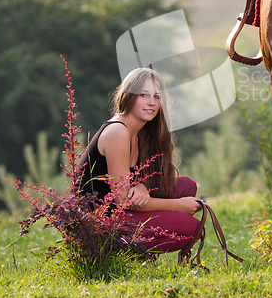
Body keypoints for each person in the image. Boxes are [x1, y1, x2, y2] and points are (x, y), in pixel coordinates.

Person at [78, 67, 201, 254]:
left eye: (157, 97)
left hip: (123, 209)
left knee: (186, 186)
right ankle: (118, 252)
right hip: (101, 222)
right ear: (128, 96)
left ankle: (134, 242)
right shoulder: (118, 132)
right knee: (192, 228)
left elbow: (133, 182)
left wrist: (142, 185)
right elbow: (122, 199)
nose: (151, 102)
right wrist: (178, 205)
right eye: (144, 95)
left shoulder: (141, 133)